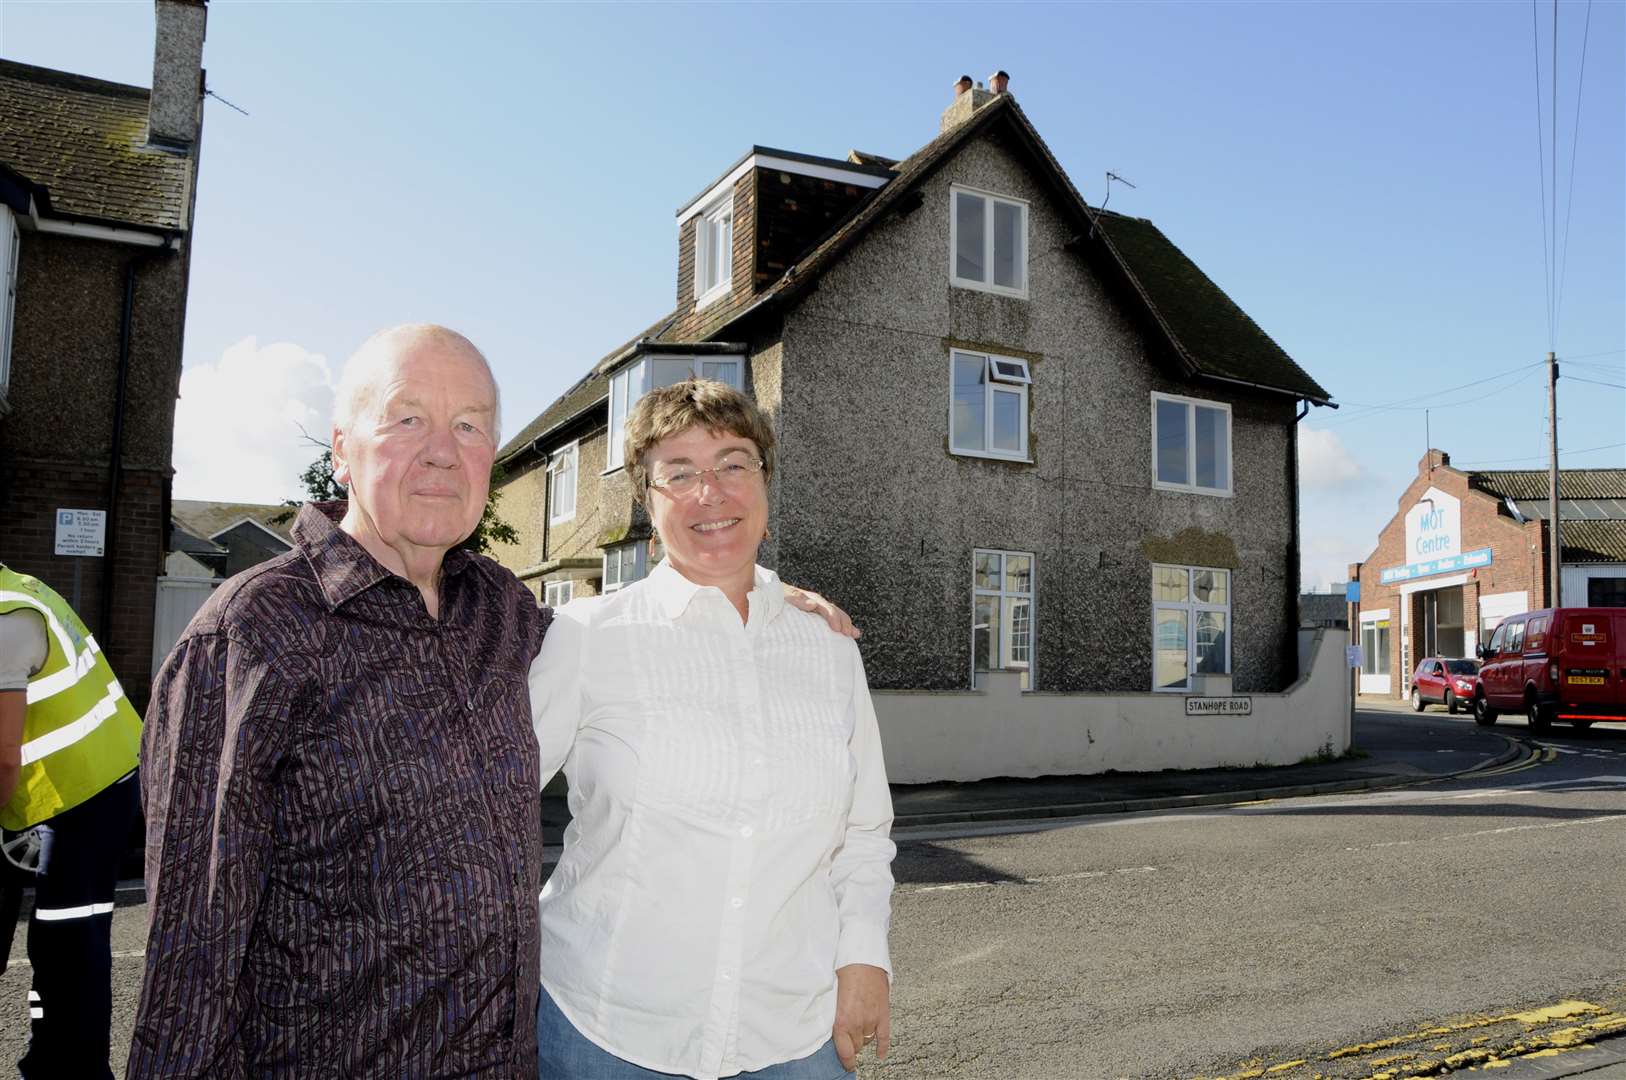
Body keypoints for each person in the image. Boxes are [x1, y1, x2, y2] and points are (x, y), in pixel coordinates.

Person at [127, 325, 856, 1078]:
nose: (443, 448)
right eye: (408, 418)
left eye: (469, 425)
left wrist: (757, 598)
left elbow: (642, 637)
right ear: (342, 448)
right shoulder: (251, 633)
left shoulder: (501, 612)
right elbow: (193, 952)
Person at [530, 378, 896, 1080]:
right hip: (606, 1032)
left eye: (733, 463)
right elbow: (478, 803)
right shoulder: (587, 637)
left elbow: (863, 835)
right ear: (647, 497)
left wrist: (863, 961)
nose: (712, 492)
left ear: (764, 480)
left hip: (793, 1034)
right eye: (680, 473)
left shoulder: (829, 649)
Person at [0, 561, 143, 1080]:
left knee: (69, 941)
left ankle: (73, 1068)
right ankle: (54, 1057)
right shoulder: (18, 587)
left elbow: (3, 758)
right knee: (61, 943)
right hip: (92, 778)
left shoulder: (6, 616)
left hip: (89, 793)